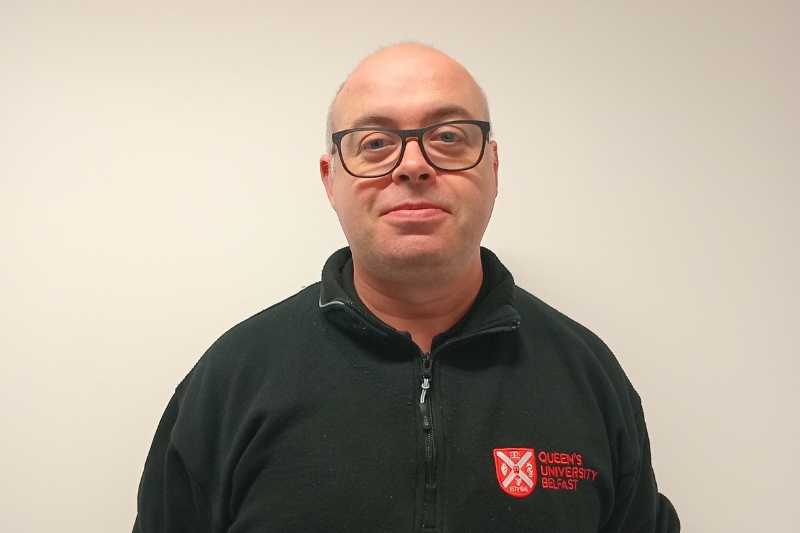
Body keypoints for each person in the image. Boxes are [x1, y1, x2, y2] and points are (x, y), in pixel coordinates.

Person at [134, 43, 679, 532]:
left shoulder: (588, 378)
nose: (413, 165)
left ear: (492, 166)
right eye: (374, 143)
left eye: (447, 137)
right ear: (330, 179)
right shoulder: (230, 383)